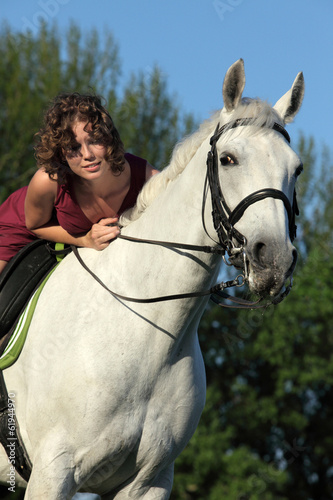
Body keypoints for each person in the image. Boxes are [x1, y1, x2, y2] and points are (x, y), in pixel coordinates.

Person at [0, 92, 159, 274]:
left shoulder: (144, 175)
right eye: (74, 147)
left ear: (109, 138)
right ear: (60, 153)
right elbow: (35, 225)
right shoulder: (46, 180)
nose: (87, 155)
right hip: (25, 223)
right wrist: (85, 240)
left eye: (95, 140)